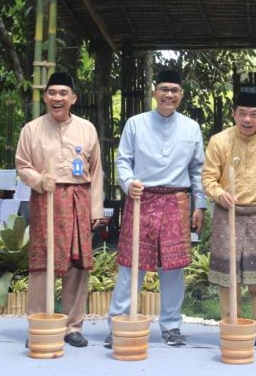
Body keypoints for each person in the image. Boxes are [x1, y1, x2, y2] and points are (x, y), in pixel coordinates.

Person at [105, 69, 206, 348]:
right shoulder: (135, 124)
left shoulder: (191, 127)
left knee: (173, 268)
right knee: (131, 265)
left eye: (174, 90)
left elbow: (198, 169)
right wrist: (128, 183)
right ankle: (118, 324)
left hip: (176, 201)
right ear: (154, 92)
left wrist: (201, 205)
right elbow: (123, 160)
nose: (169, 95)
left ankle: (171, 326)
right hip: (141, 199)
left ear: (181, 95)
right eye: (164, 89)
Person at [15, 71, 104, 348]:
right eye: (52, 93)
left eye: (63, 93)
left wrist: (96, 208)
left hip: (79, 199)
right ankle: (40, 325)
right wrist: (40, 180)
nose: (58, 98)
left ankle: (72, 327)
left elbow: (97, 171)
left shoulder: (87, 129)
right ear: (45, 97)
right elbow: (22, 165)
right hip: (46, 200)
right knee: (43, 264)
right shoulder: (31, 129)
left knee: (78, 266)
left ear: (73, 98)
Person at [201, 91, 256, 349]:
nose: (247, 119)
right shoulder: (219, 141)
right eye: (242, 113)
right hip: (227, 211)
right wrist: (219, 193)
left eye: (253, 114)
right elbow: (208, 178)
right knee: (229, 273)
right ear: (233, 114)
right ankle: (232, 325)